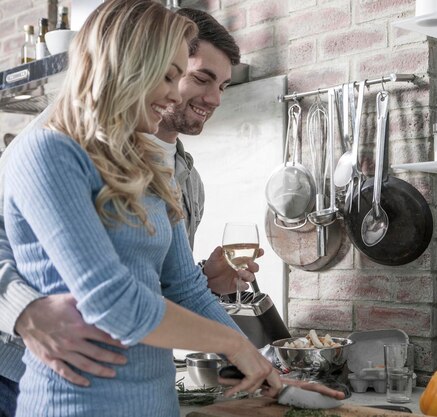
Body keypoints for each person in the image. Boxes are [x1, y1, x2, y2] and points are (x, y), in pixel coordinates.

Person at [3, 1, 282, 416]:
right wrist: (21, 309)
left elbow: (181, 284)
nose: (177, 93)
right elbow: (112, 300)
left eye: (222, 86)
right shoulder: (48, 148)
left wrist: (261, 364)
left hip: (153, 400)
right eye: (175, 76)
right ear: (128, 64)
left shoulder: (150, 162)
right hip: (62, 392)